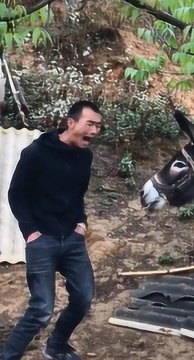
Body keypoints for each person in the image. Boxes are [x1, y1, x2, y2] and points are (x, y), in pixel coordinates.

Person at [1, 100, 102, 360]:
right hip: (42, 240)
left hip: (72, 239)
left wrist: (81, 224)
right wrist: (30, 232)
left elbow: (79, 193)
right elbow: (16, 194)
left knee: (83, 299)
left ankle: (56, 346)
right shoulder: (36, 152)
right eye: (90, 124)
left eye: (98, 126)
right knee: (42, 309)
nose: (94, 131)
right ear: (71, 123)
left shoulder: (85, 156)